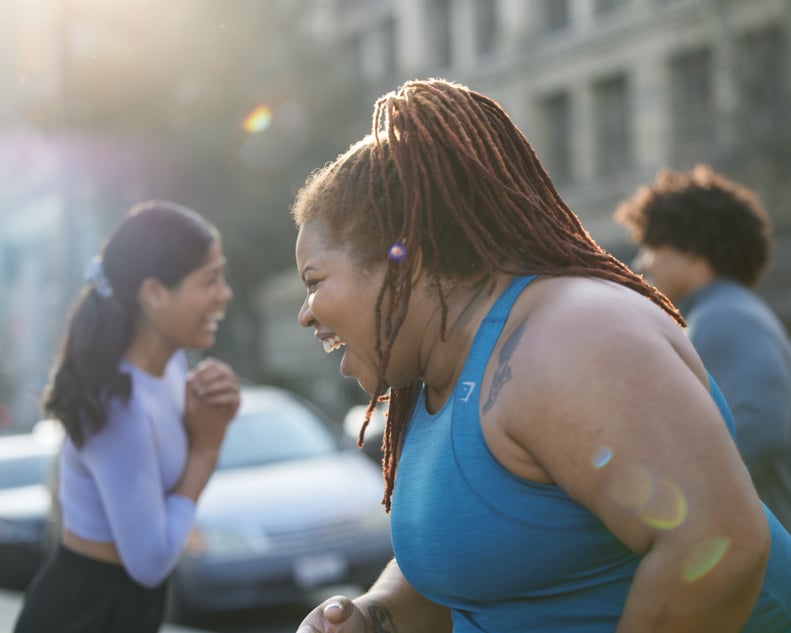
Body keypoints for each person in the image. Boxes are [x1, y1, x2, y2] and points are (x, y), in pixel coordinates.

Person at [291, 79, 791, 633]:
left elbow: (720, 544)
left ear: (403, 259)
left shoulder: (569, 336)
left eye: (314, 281)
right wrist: (374, 613)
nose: (305, 313)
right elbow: (488, 562)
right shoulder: (436, 377)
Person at [13, 200, 240, 633]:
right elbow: (150, 562)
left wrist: (208, 408)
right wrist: (206, 450)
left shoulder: (171, 366)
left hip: (128, 607)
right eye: (210, 280)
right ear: (154, 293)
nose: (224, 294)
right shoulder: (117, 406)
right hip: (87, 612)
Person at [614, 165, 791, 532]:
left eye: (652, 246)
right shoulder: (726, 311)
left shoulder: (724, 317)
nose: (641, 263)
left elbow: (764, 427)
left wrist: (676, 494)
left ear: (691, 249)